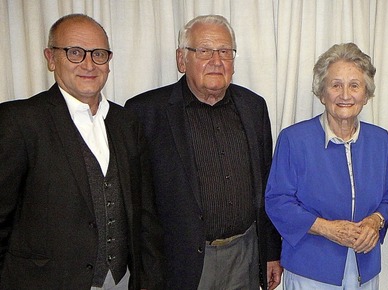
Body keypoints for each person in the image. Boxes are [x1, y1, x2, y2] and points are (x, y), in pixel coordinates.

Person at [0, 14, 164, 289]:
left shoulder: (127, 123)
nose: (89, 64)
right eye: (75, 52)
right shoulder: (19, 121)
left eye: (98, 54)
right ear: (51, 58)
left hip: (120, 281)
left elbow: (145, 215)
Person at [125, 15, 282, 290]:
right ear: (181, 59)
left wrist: (271, 252)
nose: (216, 60)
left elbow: (267, 185)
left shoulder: (254, 107)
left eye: (225, 52)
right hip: (179, 263)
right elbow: (139, 207)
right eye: (204, 51)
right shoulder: (145, 113)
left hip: (244, 255)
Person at [264, 42, 388, 289]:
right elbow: (277, 201)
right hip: (310, 271)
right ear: (321, 93)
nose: (345, 95)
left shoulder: (380, 140)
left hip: (364, 269)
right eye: (336, 85)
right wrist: (326, 229)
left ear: (366, 95)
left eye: (354, 86)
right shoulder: (294, 139)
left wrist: (375, 221)